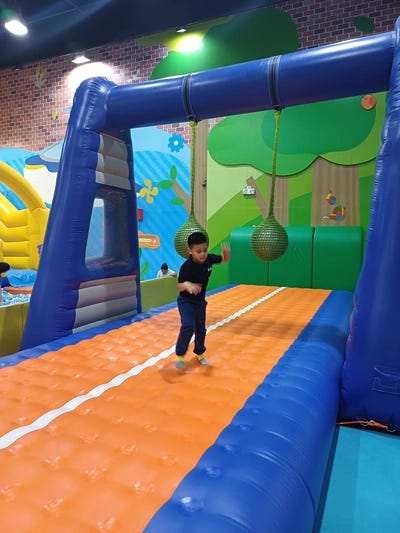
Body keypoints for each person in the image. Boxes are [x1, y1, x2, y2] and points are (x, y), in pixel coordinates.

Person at [175, 231, 230, 369]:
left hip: (200, 302)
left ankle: (199, 353)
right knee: (188, 325)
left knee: (200, 328)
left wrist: (226, 257)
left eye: (205, 250)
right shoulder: (186, 267)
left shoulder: (209, 259)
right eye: (198, 251)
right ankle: (180, 355)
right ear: (190, 250)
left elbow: (222, 260)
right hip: (186, 301)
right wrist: (187, 285)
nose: (202, 254)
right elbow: (179, 286)